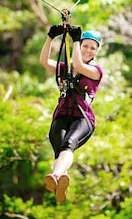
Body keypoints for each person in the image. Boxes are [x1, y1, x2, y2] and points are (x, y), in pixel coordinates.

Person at [39, 24, 103, 203]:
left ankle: (56, 175)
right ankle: (61, 182)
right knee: (60, 150)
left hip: (82, 118)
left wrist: (75, 41)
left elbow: (79, 65)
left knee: (69, 143)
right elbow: (44, 61)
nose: (88, 50)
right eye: (85, 46)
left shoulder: (95, 71)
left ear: (96, 52)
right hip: (61, 115)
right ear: (80, 46)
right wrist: (50, 37)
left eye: (93, 48)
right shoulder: (64, 68)